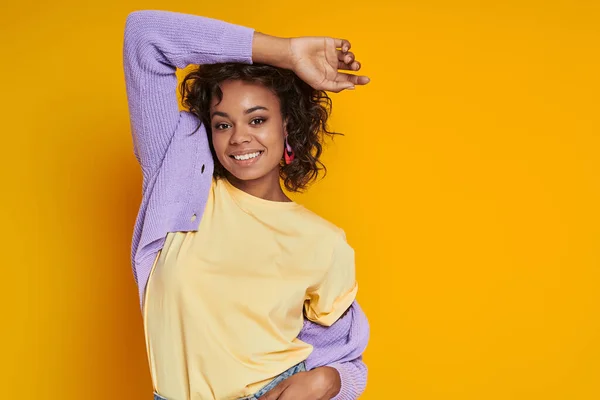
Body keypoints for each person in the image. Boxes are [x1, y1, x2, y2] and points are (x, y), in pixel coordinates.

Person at [122, 9, 370, 400]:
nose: (239, 137)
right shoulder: (179, 183)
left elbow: (344, 359)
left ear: (286, 125)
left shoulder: (325, 242)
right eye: (223, 124)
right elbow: (144, 35)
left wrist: (329, 382)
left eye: (257, 120)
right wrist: (285, 52)